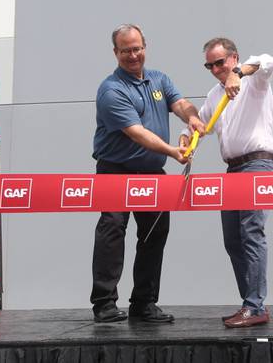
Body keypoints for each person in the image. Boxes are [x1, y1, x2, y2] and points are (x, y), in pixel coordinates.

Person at [91, 24, 205, 324]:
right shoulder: (111, 90)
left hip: (152, 172)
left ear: (145, 46)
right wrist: (173, 151)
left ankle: (143, 303)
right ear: (115, 53)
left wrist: (192, 118)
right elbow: (136, 133)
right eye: (126, 50)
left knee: (155, 234)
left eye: (137, 48)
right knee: (113, 230)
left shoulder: (159, 79)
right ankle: (104, 303)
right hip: (115, 170)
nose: (133, 55)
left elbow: (179, 103)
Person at [180, 37, 273, 328]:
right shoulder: (214, 94)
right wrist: (188, 136)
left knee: (251, 232)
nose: (216, 69)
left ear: (234, 58)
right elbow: (200, 124)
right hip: (234, 170)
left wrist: (240, 73)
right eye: (209, 65)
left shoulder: (254, 81)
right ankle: (251, 303)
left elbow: (267, 59)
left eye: (220, 62)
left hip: (257, 164)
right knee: (233, 239)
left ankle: (254, 305)